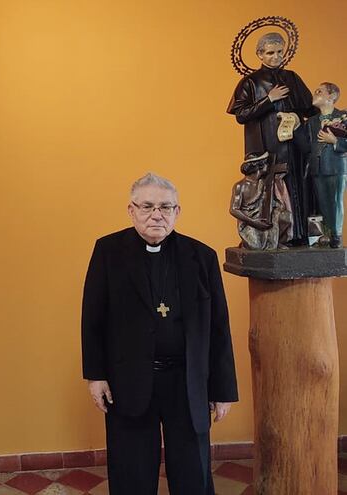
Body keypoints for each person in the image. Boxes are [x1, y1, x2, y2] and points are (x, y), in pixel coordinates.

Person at [81, 173, 238, 495]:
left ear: (177, 212)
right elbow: (92, 318)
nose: (157, 215)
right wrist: (95, 376)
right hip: (130, 379)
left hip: (187, 381)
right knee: (132, 470)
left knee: (193, 470)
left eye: (166, 207)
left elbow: (219, 327)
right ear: (131, 210)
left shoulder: (202, 257)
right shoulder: (108, 251)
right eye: (147, 206)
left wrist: (223, 390)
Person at [227, 32, 316, 244]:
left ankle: (300, 235)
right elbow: (241, 115)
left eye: (279, 52)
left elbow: (310, 109)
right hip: (267, 147)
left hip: (294, 144)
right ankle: (274, 236)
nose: (276, 57)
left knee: (297, 184)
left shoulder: (292, 78)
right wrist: (269, 99)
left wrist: (298, 118)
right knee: (272, 188)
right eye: (270, 53)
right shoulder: (250, 82)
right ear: (260, 54)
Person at [294, 82, 347, 248]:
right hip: (317, 167)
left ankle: (336, 235)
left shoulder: (343, 116)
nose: (315, 94)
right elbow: (306, 148)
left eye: (319, 91)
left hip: (336, 166)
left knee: (335, 201)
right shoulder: (311, 122)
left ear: (331, 96)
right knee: (323, 203)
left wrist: (335, 141)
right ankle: (328, 234)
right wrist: (296, 128)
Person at [230, 152, 293, 249]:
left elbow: (272, 201)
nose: (268, 166)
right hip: (249, 221)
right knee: (256, 247)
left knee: (285, 217)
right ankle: (257, 243)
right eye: (265, 163)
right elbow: (234, 210)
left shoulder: (264, 183)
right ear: (258, 166)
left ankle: (275, 242)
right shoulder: (240, 186)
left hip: (265, 217)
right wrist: (254, 222)